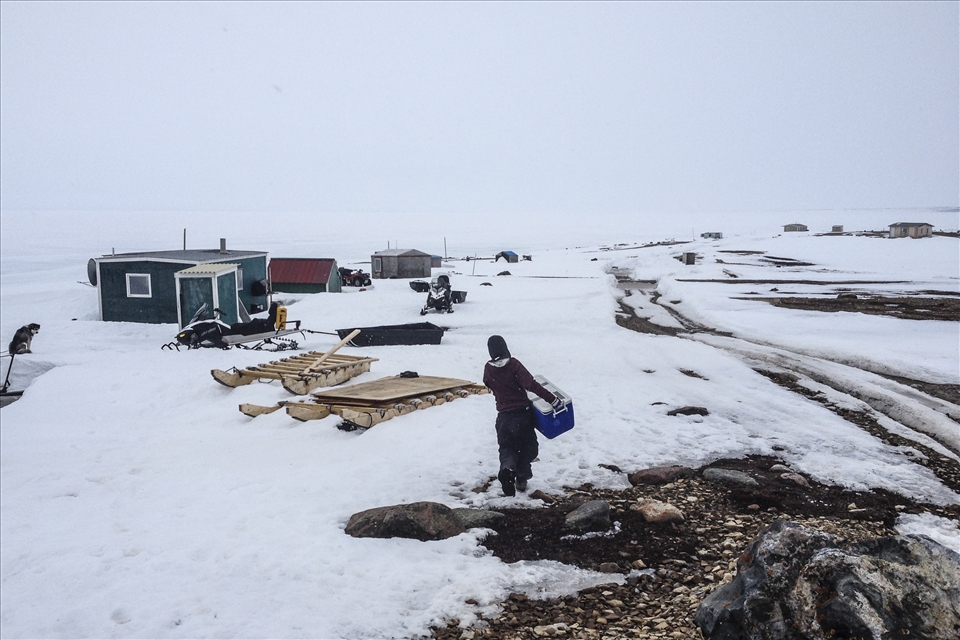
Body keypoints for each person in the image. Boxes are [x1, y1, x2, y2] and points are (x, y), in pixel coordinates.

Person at [483, 335, 563, 496]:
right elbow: (531, 384)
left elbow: (487, 382)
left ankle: (507, 469)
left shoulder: (488, 368)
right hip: (522, 415)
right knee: (529, 448)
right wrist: (553, 400)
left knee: (507, 448)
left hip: (503, 418)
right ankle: (521, 478)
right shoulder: (513, 365)